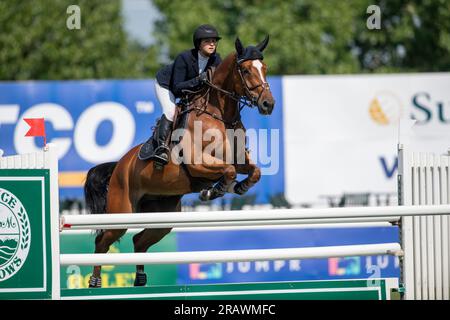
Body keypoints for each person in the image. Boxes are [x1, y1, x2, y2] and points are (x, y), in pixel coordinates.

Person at [142, 24, 222, 166]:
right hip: (166, 85)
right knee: (171, 111)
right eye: (207, 41)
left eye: (214, 41)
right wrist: (199, 80)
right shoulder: (184, 58)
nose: (212, 44)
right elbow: (177, 88)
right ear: (199, 44)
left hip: (191, 89)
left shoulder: (216, 60)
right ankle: (161, 147)